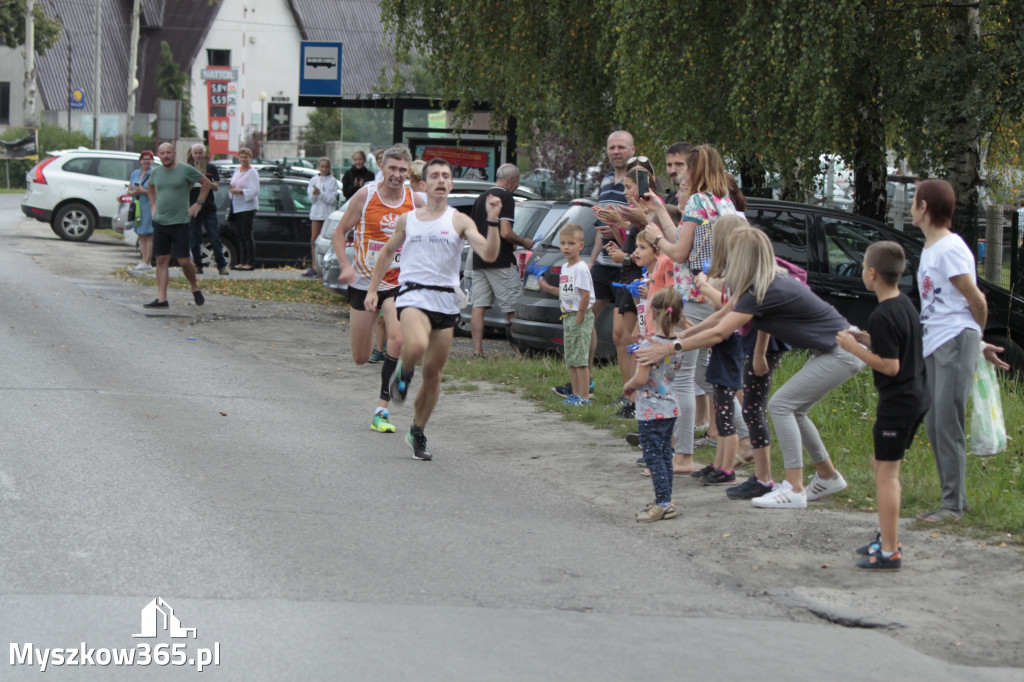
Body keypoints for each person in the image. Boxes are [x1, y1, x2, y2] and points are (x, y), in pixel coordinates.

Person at [636, 228, 865, 509]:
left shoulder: (763, 288)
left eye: (731, 254)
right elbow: (721, 316)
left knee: (780, 406)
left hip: (844, 352)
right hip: (837, 350)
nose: (727, 260)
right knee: (795, 409)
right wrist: (678, 338)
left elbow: (720, 333)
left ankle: (794, 488)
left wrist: (671, 347)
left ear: (742, 258)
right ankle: (828, 476)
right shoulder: (760, 282)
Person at [365, 158, 502, 460]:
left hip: (446, 301)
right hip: (413, 294)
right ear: (424, 184)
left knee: (434, 375)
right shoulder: (409, 219)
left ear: (451, 184)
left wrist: (492, 220)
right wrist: (373, 289)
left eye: (446, 176)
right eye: (435, 176)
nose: (441, 180)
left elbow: (490, 253)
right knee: (414, 344)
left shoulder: (461, 221)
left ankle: (417, 430)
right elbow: (388, 251)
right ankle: (403, 372)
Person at [911, 179, 1008, 522]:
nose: (911, 206)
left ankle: (952, 506)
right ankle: (954, 501)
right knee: (936, 424)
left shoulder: (949, 248)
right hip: (937, 340)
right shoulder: (932, 248)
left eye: (914, 201)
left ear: (924, 207)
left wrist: (973, 338)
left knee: (947, 422)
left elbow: (976, 300)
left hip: (953, 340)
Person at [642, 144, 738, 474]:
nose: (680, 174)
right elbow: (686, 240)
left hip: (694, 295)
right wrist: (661, 211)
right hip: (716, 293)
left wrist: (655, 239)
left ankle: (682, 455)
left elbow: (679, 253)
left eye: (685, 168)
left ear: (696, 169)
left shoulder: (698, 200)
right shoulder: (723, 201)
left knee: (682, 378)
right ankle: (750, 435)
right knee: (708, 377)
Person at [835, 241, 928, 570]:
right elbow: (895, 347)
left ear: (872, 274)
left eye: (862, 267)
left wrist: (851, 348)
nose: (862, 272)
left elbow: (890, 366)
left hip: (898, 401)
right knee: (880, 465)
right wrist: (865, 339)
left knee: (887, 474)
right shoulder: (903, 305)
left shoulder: (884, 313)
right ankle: (887, 536)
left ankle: (890, 551)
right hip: (917, 396)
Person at [330, 144, 424, 434]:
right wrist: (345, 265)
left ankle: (382, 407)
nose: (396, 175)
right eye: (391, 168)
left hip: (397, 283)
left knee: (397, 340)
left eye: (402, 170)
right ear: (382, 167)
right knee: (360, 357)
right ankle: (388, 371)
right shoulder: (365, 195)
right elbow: (338, 232)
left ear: (409, 171)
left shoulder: (414, 201)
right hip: (362, 281)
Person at [624, 287, 686, 522]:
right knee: (664, 456)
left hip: (650, 411)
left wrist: (627, 385)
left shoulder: (648, 348)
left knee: (653, 458)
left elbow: (641, 379)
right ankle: (666, 498)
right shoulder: (677, 345)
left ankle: (663, 503)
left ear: (651, 313)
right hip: (670, 406)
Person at [470, 164, 534, 357]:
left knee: (478, 306)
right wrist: (523, 241)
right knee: (511, 307)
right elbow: (505, 232)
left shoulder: (481, 198)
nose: (515, 186)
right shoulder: (506, 197)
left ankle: (477, 351)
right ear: (510, 180)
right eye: (516, 182)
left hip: (479, 260)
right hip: (500, 260)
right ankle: (518, 352)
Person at [143, 142, 213, 309]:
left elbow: (206, 184)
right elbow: (150, 187)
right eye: (162, 153)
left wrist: (198, 204)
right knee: (161, 259)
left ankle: (195, 287)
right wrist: (153, 205)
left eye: (168, 152)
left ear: (174, 153)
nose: (166, 156)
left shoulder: (185, 169)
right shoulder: (156, 172)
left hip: (181, 222)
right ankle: (162, 299)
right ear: (159, 155)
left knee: (183, 260)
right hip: (160, 222)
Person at [538, 223, 595, 406]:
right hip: (567, 316)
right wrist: (548, 288)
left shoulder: (580, 268)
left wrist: (579, 316)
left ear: (581, 245)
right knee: (571, 358)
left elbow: (585, 294)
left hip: (579, 316)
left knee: (580, 359)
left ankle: (584, 397)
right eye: (563, 243)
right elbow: (567, 293)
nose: (566, 247)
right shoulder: (565, 268)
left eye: (571, 243)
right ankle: (575, 394)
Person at [184, 143, 227, 276]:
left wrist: (205, 179)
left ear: (205, 154)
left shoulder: (211, 168)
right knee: (194, 237)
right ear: (192, 155)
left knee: (214, 236)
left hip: (208, 207)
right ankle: (198, 264)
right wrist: (194, 178)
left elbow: (216, 186)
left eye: (200, 153)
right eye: (196, 153)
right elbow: (186, 188)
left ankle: (221, 266)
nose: (198, 155)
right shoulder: (188, 169)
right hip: (193, 207)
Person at [304, 157, 339, 277]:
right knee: (314, 239)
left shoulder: (333, 181)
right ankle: (314, 266)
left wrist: (321, 193)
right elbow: (311, 199)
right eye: (322, 167)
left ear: (329, 168)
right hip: (316, 214)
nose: (324, 169)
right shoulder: (314, 180)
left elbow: (331, 199)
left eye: (326, 167)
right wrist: (314, 194)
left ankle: (325, 267)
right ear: (319, 167)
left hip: (327, 214)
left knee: (326, 241)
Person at [227, 148, 259, 271]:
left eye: (246, 157)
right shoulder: (237, 170)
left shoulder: (252, 172)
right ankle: (242, 261)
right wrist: (231, 190)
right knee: (240, 235)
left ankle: (249, 262)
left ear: (250, 158)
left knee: (246, 234)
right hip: (237, 205)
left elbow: (254, 190)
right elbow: (232, 185)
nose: (243, 159)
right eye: (241, 157)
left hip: (247, 206)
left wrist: (240, 191)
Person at [128, 150, 155, 272]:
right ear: (140, 161)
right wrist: (134, 192)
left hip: (148, 205)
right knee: (140, 233)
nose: (146, 161)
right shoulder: (135, 173)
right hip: (137, 204)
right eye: (144, 159)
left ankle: (147, 261)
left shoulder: (154, 173)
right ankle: (143, 259)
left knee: (148, 233)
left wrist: (143, 191)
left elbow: (157, 191)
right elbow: (129, 189)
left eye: (149, 159)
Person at [664, 141, 694, 206]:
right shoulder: (671, 197)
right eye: (669, 165)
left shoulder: (698, 199)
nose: (673, 170)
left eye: (679, 164)